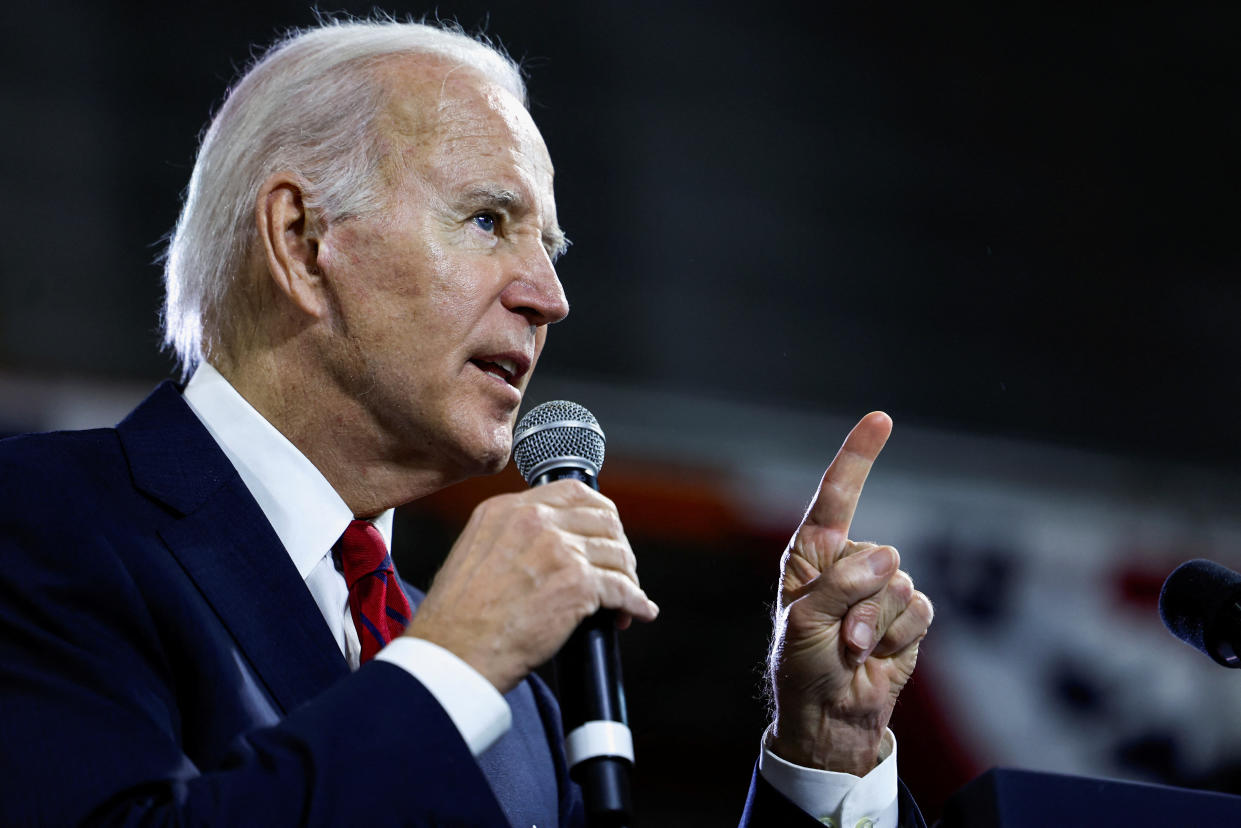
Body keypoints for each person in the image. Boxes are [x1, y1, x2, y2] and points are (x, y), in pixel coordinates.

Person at [0, 18, 932, 827]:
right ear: (301, 241)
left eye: (550, 247)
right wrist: (452, 663)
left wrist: (823, 757)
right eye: (489, 220)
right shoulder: (40, 525)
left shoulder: (517, 710)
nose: (551, 298)